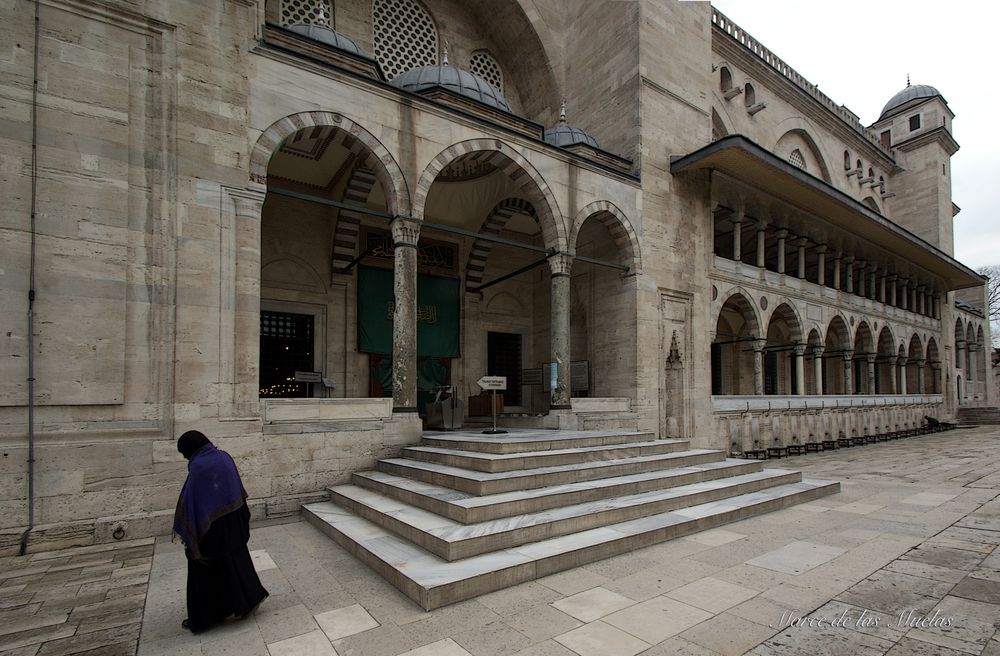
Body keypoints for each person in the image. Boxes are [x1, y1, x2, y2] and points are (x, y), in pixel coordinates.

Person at [173, 430, 268, 633]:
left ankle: (207, 615)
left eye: (184, 453)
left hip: (212, 528)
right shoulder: (223, 456)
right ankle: (248, 599)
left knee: (204, 571)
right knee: (235, 562)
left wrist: (192, 532)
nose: (185, 457)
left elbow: (195, 501)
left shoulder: (199, 466)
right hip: (234, 520)